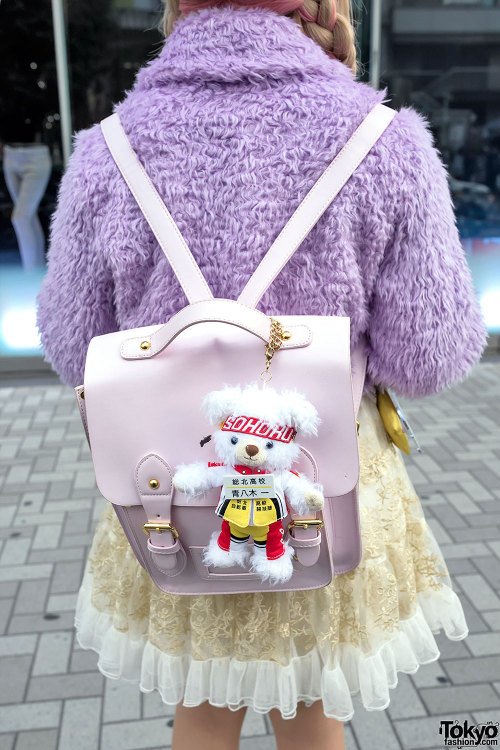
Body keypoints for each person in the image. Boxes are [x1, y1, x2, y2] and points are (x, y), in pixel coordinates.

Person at [35, 0, 487, 748]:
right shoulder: (385, 142)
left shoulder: (107, 149)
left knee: (202, 713)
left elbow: (72, 341)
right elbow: (429, 358)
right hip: (320, 493)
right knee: (312, 713)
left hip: (175, 494)